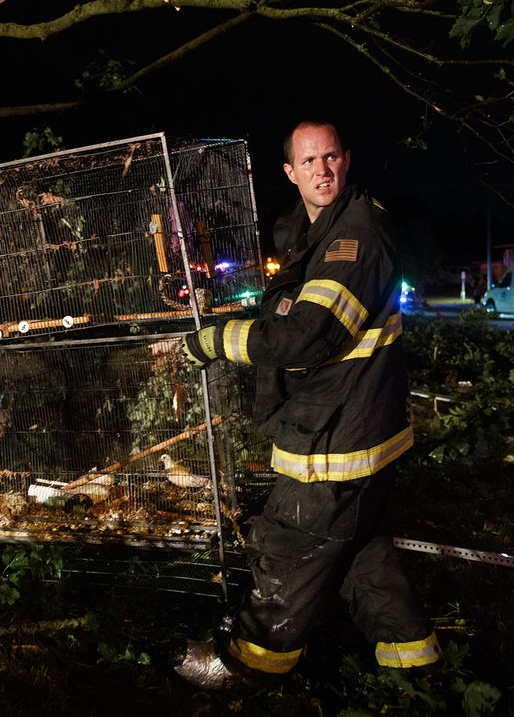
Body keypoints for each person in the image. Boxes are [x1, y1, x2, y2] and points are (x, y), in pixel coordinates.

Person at [174, 120, 440, 688]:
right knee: (362, 555)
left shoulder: (356, 235)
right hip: (361, 431)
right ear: (290, 173)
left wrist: (217, 340)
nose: (322, 170)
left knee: (289, 547)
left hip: (336, 437)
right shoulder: (312, 232)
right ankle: (415, 672)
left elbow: (308, 335)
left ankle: (248, 665)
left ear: (346, 160)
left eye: (331, 157)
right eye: (309, 161)